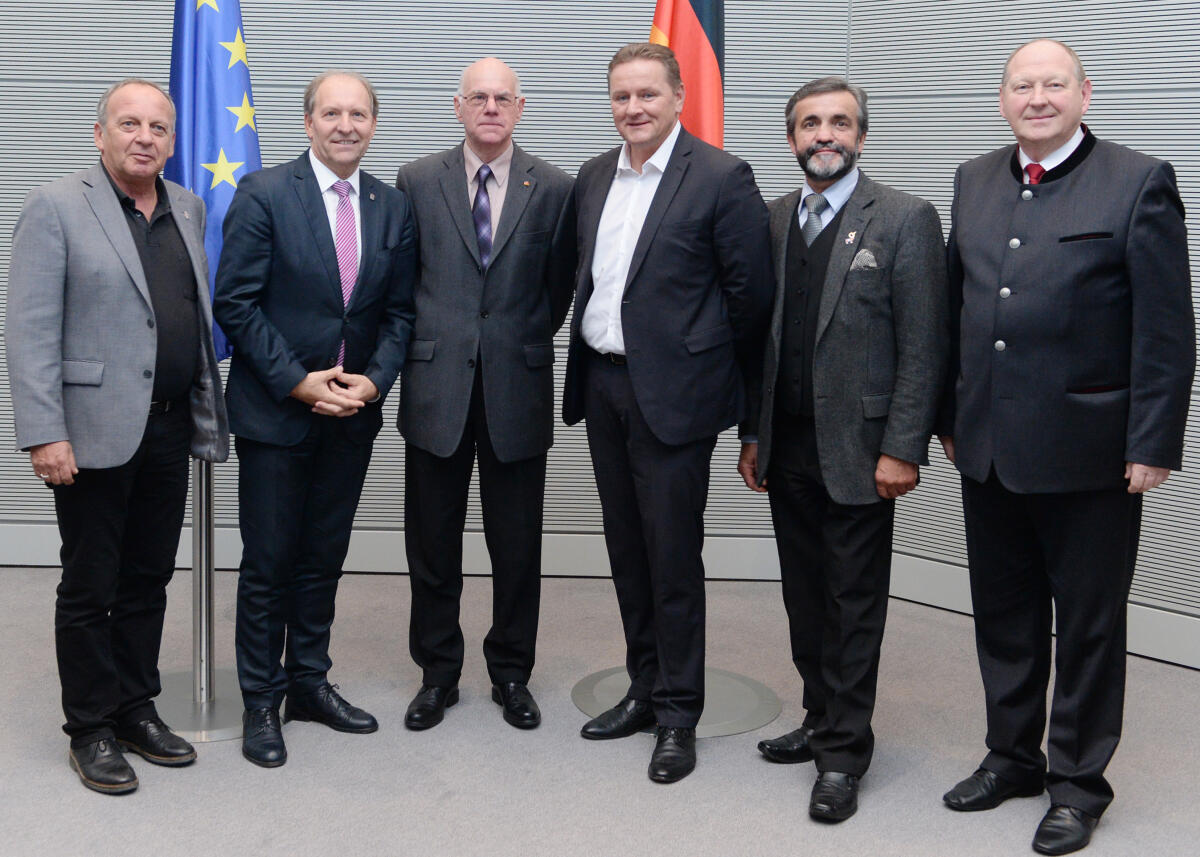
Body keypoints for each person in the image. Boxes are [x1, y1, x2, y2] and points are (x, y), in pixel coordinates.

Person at [937, 39, 1194, 855]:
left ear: (1086, 92)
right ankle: (1010, 756)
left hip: (1091, 455)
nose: (1037, 96)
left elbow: (1166, 329)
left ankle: (1078, 782)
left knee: (1087, 624)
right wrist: (948, 416)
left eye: (1054, 84)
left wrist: (1153, 441)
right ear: (1002, 97)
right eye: (1022, 84)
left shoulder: (1139, 180)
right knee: (1005, 618)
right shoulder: (974, 178)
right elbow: (958, 307)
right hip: (988, 449)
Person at [6, 79, 229, 794]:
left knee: (146, 580)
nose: (145, 137)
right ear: (98, 133)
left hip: (168, 428)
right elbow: (30, 328)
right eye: (129, 123)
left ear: (171, 140)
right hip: (91, 434)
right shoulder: (55, 206)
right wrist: (45, 431)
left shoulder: (186, 207)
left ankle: (135, 706)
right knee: (90, 584)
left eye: (158, 127)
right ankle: (91, 726)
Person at [738, 77, 948, 822]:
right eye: (808, 124)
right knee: (803, 596)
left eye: (838, 123)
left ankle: (844, 752)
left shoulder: (904, 218)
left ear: (861, 134)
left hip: (862, 452)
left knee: (852, 603)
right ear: (791, 137)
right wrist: (754, 433)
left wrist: (904, 447)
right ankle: (819, 715)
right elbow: (756, 342)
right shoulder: (767, 220)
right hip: (785, 447)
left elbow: (926, 345)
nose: (823, 135)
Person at [562, 42, 773, 783]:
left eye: (648, 95)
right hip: (604, 389)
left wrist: (732, 399)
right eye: (622, 96)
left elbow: (751, 303)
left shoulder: (720, 176)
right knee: (627, 551)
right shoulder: (593, 176)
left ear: (678, 97)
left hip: (676, 402)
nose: (634, 108)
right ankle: (643, 688)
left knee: (674, 559)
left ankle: (680, 713)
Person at [213, 70, 417, 768]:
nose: (345, 125)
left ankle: (308, 681)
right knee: (269, 562)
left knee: (323, 558)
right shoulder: (265, 193)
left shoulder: (392, 207)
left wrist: (375, 379)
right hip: (277, 414)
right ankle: (260, 700)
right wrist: (299, 383)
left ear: (373, 124)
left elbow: (400, 313)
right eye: (331, 112)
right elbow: (235, 303)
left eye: (359, 113)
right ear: (307, 123)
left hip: (352, 414)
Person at [395, 57, 574, 732]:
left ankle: (510, 672)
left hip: (516, 388)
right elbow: (401, 280)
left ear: (520, 108)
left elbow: (557, 290)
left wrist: (510, 341)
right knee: (432, 545)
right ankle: (437, 674)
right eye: (479, 97)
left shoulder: (553, 187)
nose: (491, 107)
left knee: (517, 545)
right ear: (457, 105)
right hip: (436, 387)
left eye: (503, 98)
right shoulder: (416, 181)